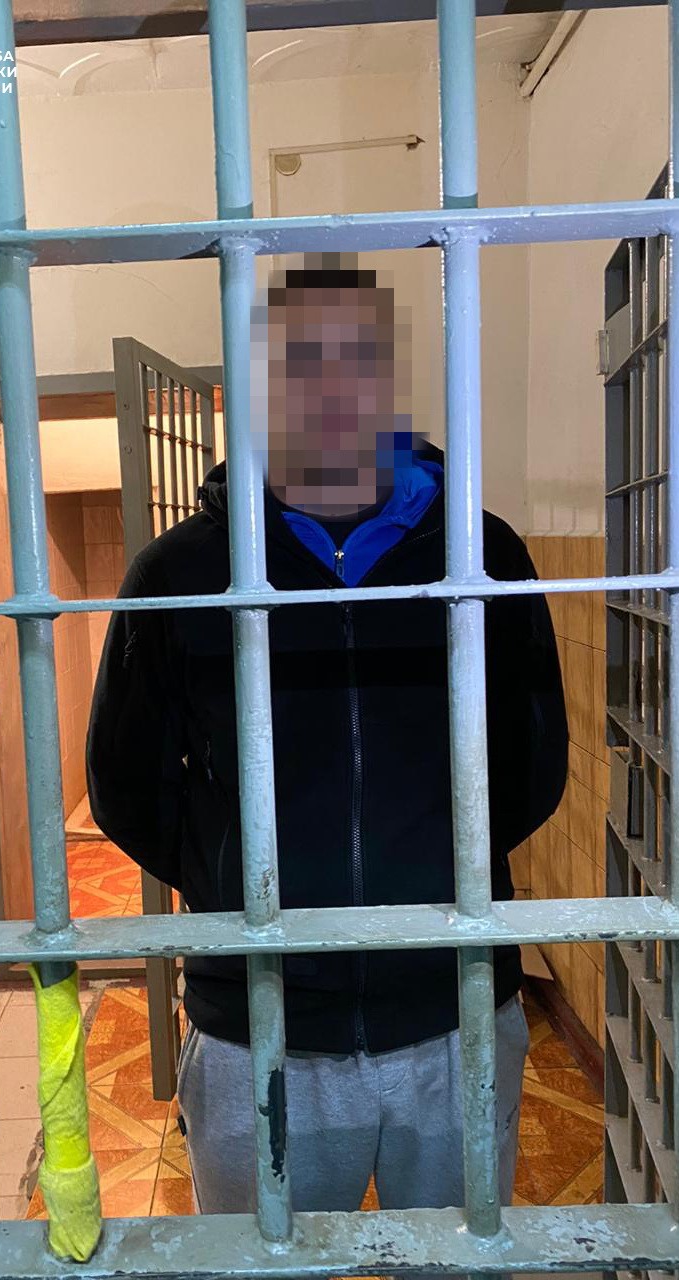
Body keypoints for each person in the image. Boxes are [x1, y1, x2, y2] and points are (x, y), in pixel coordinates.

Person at [86, 253, 568, 1218]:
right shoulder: (181, 573)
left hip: (452, 1013)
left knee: (454, 1267)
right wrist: (232, 874)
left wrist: (437, 862)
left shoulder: (483, 556)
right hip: (255, 1024)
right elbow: (127, 786)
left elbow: (531, 764)